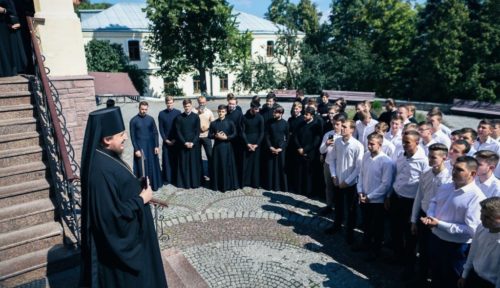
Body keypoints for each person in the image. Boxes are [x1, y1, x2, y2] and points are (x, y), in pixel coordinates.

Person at [80, 107, 167, 287]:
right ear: (106, 139)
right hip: (125, 254)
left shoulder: (106, 155)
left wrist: (137, 183)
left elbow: (119, 187)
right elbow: (110, 217)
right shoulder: (100, 171)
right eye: (121, 134)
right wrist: (142, 199)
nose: (126, 138)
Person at [422, 156, 485, 288]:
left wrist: (439, 224)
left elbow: (471, 230)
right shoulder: (446, 186)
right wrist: (430, 216)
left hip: (455, 248)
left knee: (451, 281)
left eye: (459, 170)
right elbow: (433, 201)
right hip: (436, 238)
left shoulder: (476, 197)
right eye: (454, 168)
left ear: (472, 174)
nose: (454, 172)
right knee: (435, 275)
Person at [386, 130, 428, 279]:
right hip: (397, 197)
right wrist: (390, 194)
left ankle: (408, 266)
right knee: (395, 230)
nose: (404, 145)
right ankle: (397, 256)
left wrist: (415, 213)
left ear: (417, 142)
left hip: (410, 202)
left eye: (408, 142)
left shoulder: (423, 161)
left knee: (409, 236)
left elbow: (422, 188)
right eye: (403, 142)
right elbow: (397, 176)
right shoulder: (401, 155)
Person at [410, 143, 452, 285]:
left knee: (435, 254)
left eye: (434, 157)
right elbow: (419, 196)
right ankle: (419, 278)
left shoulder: (449, 179)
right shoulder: (426, 174)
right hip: (423, 215)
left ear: (444, 158)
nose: (430, 159)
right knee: (422, 250)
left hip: (437, 220)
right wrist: (414, 220)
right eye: (429, 156)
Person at [354, 133, 395, 260]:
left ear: (380, 145)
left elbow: (386, 184)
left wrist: (370, 196)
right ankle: (365, 243)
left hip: (377, 200)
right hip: (364, 196)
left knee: (377, 227)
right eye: (369, 143)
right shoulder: (366, 156)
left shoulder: (386, 162)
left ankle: (376, 250)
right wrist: (360, 191)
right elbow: (361, 174)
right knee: (366, 223)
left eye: (372, 144)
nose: (369, 146)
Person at [325, 119, 364, 244]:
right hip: (338, 181)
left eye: (345, 127)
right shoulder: (337, 142)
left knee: (351, 210)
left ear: (352, 130)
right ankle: (336, 226)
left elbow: (359, 168)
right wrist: (334, 175)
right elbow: (332, 159)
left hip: (350, 184)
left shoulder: (358, 145)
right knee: (338, 206)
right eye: (342, 126)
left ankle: (350, 233)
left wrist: (347, 181)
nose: (342, 128)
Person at [458, 197, 500, 288]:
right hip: (473, 276)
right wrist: (464, 275)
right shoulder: (481, 227)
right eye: (481, 214)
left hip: (489, 283)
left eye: (487, 217)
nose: (481, 219)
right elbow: (472, 252)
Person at [129, 101, 162, 191]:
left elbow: (155, 133)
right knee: (142, 166)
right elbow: (133, 136)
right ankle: (143, 187)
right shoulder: (133, 120)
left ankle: (153, 184)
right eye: (142, 109)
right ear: (139, 108)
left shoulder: (151, 119)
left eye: (145, 109)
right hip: (140, 147)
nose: (144, 111)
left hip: (151, 146)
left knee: (152, 165)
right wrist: (136, 149)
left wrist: (156, 146)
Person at [317, 113, 344, 216]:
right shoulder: (329, 134)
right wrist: (326, 144)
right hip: (328, 163)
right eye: (334, 124)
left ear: (342, 124)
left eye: (337, 124)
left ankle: (339, 208)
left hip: (340, 166)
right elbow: (321, 150)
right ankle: (329, 206)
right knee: (329, 186)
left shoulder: (344, 136)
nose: (335, 126)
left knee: (339, 188)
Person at [208, 105, 239, 192]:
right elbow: (209, 135)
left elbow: (235, 134)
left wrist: (226, 137)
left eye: (222, 112)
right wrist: (215, 135)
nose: (221, 113)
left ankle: (227, 185)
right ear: (217, 112)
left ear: (225, 112)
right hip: (217, 147)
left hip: (227, 147)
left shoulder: (230, 122)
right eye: (219, 111)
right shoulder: (213, 123)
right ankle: (217, 184)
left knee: (226, 165)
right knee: (217, 165)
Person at [294, 107, 322, 196]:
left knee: (309, 174)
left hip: (310, 153)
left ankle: (308, 191)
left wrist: (305, 150)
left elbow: (316, 141)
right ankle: (299, 190)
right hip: (299, 151)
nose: (304, 116)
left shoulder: (316, 125)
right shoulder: (301, 124)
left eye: (307, 114)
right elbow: (295, 136)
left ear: (312, 116)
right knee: (300, 172)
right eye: (304, 114)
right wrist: (299, 148)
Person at [175, 99, 202, 188]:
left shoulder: (196, 117)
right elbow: (178, 132)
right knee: (184, 164)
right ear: (183, 106)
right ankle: (185, 183)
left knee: (194, 164)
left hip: (194, 145)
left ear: (191, 106)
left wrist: (193, 142)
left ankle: (194, 182)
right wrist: (184, 142)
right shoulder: (179, 117)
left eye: (188, 106)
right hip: (183, 144)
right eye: (185, 106)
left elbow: (197, 131)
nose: (187, 108)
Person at [263, 105, 289, 191]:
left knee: (280, 168)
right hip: (271, 148)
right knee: (270, 167)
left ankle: (280, 186)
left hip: (281, 149)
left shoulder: (285, 123)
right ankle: (270, 185)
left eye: (275, 112)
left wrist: (281, 148)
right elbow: (267, 136)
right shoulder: (269, 122)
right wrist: (270, 147)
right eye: (273, 112)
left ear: (280, 113)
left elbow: (288, 138)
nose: (273, 114)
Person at [241, 100, 264, 188]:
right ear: (251, 108)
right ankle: (245, 182)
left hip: (257, 143)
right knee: (246, 163)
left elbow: (262, 132)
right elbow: (242, 132)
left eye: (258, 109)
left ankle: (255, 183)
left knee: (256, 164)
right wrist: (247, 144)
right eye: (256, 109)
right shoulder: (244, 117)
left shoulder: (260, 117)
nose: (258, 111)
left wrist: (256, 144)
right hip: (246, 142)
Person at [158, 96, 181, 185]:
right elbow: (161, 128)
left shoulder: (178, 113)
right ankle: (167, 178)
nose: (169, 105)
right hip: (166, 141)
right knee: (166, 160)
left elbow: (179, 127)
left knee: (175, 159)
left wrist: (175, 139)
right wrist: (165, 139)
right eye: (168, 103)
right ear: (166, 103)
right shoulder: (161, 114)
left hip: (176, 140)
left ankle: (175, 178)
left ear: (173, 103)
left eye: (171, 103)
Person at [0, 0, 27, 77]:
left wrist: (4, 10)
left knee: (4, 48)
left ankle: (5, 71)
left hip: (3, 25)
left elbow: (12, 11)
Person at [195, 95, 215, 181]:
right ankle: (199, 175)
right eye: (200, 103)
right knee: (197, 156)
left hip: (206, 136)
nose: (202, 104)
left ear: (206, 102)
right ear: (198, 102)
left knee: (210, 155)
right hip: (197, 137)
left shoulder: (209, 112)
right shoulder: (194, 111)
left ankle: (211, 173)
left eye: (203, 102)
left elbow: (213, 124)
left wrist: (207, 128)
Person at [286, 102, 304, 193]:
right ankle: (290, 185)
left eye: (297, 109)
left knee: (298, 168)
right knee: (291, 166)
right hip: (290, 145)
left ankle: (298, 187)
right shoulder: (290, 119)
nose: (295, 110)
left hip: (298, 145)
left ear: (300, 109)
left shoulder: (302, 119)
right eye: (294, 109)